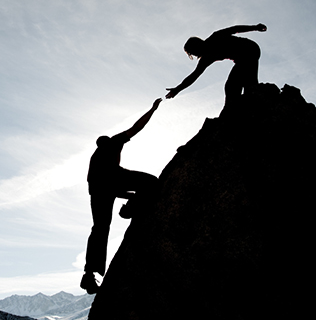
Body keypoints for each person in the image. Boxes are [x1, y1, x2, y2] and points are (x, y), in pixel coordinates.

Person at [80, 98, 162, 294]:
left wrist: (130, 198)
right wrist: (153, 109)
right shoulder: (111, 145)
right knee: (151, 181)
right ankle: (130, 210)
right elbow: (136, 128)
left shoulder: (99, 156)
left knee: (100, 228)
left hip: (100, 189)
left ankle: (89, 274)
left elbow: (107, 190)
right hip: (111, 181)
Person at [165, 23, 267, 111]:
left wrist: (255, 27)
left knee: (232, 85)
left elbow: (235, 29)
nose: (196, 55)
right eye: (193, 54)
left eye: (194, 52)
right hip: (244, 57)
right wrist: (177, 89)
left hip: (249, 49)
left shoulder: (215, 37)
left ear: (198, 45)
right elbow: (194, 75)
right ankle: (251, 102)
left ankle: (236, 109)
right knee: (245, 82)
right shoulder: (206, 58)